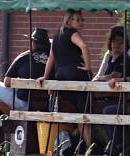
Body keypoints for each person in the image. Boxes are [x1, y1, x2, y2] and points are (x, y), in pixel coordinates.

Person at [38, 9, 93, 146]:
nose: (81, 22)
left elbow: (52, 57)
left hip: (60, 75)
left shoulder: (57, 35)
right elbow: (84, 46)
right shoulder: (72, 33)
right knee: (85, 112)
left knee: (78, 111)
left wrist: (45, 76)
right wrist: (88, 67)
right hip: (74, 73)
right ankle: (90, 146)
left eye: (82, 19)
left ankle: (85, 145)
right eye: (78, 19)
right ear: (69, 21)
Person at [0, 28, 50, 114]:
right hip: (49, 104)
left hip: (26, 104)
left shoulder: (24, 57)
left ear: (33, 42)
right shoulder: (54, 59)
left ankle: (11, 117)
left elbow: (7, 82)